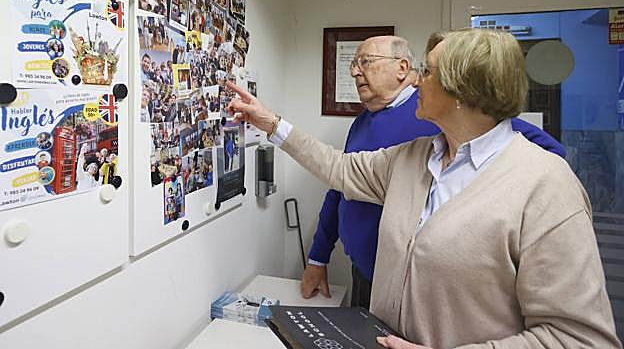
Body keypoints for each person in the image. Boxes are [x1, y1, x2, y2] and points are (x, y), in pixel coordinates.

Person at [225, 28, 621, 349]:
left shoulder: (547, 185)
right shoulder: (412, 158)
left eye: (427, 72)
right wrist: (271, 123)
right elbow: (340, 170)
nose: (417, 79)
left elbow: (580, 339)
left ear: (464, 90)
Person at [300, 35, 566, 309]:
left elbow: (545, 149)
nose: (356, 71)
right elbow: (341, 185)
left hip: (414, 287)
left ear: (402, 67)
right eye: (354, 64)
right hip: (365, 274)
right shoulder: (363, 121)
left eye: (365, 62)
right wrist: (318, 257)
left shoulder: (437, 113)